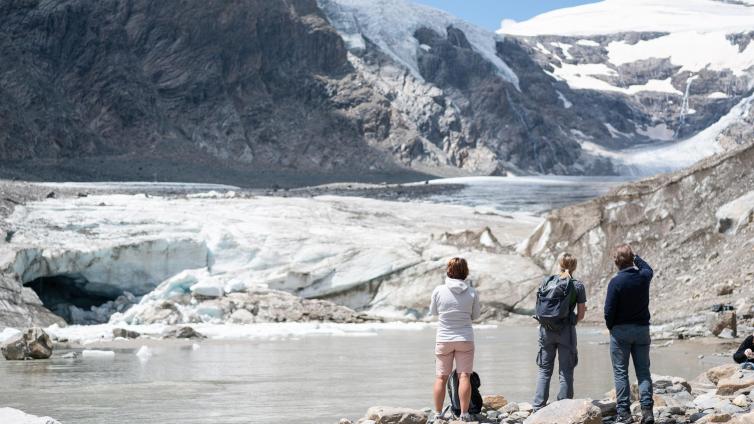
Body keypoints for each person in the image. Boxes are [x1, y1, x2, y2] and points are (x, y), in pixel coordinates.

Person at [604, 244, 655, 424]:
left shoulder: (616, 282)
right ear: (631, 259)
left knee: (620, 373)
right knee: (643, 372)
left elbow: (609, 311)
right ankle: (647, 412)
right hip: (642, 330)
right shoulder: (643, 277)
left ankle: (624, 414)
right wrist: (636, 257)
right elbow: (648, 268)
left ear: (617, 262)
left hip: (620, 332)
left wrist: (611, 327)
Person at [532, 253, 587, 411]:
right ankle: (564, 408)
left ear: (559, 265)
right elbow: (581, 314)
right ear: (574, 267)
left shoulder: (546, 282)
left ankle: (537, 407)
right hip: (566, 331)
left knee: (544, 370)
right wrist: (570, 322)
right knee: (565, 370)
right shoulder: (577, 285)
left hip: (545, 330)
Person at [428, 257, 481, 423]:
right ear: (465, 272)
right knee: (464, 376)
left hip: (444, 338)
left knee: (441, 377)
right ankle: (464, 414)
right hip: (465, 338)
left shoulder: (438, 290)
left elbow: (433, 311)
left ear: (448, 271)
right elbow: (476, 316)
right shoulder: (472, 292)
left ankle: (437, 413)